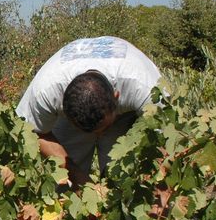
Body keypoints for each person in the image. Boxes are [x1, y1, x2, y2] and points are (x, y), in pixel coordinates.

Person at [15, 36, 161, 188]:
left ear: (117, 97)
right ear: (63, 108)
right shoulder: (46, 91)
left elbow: (163, 140)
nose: (97, 135)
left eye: (101, 129)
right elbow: (31, 132)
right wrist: (77, 176)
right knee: (64, 184)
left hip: (124, 115)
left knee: (121, 179)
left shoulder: (142, 86)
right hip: (83, 116)